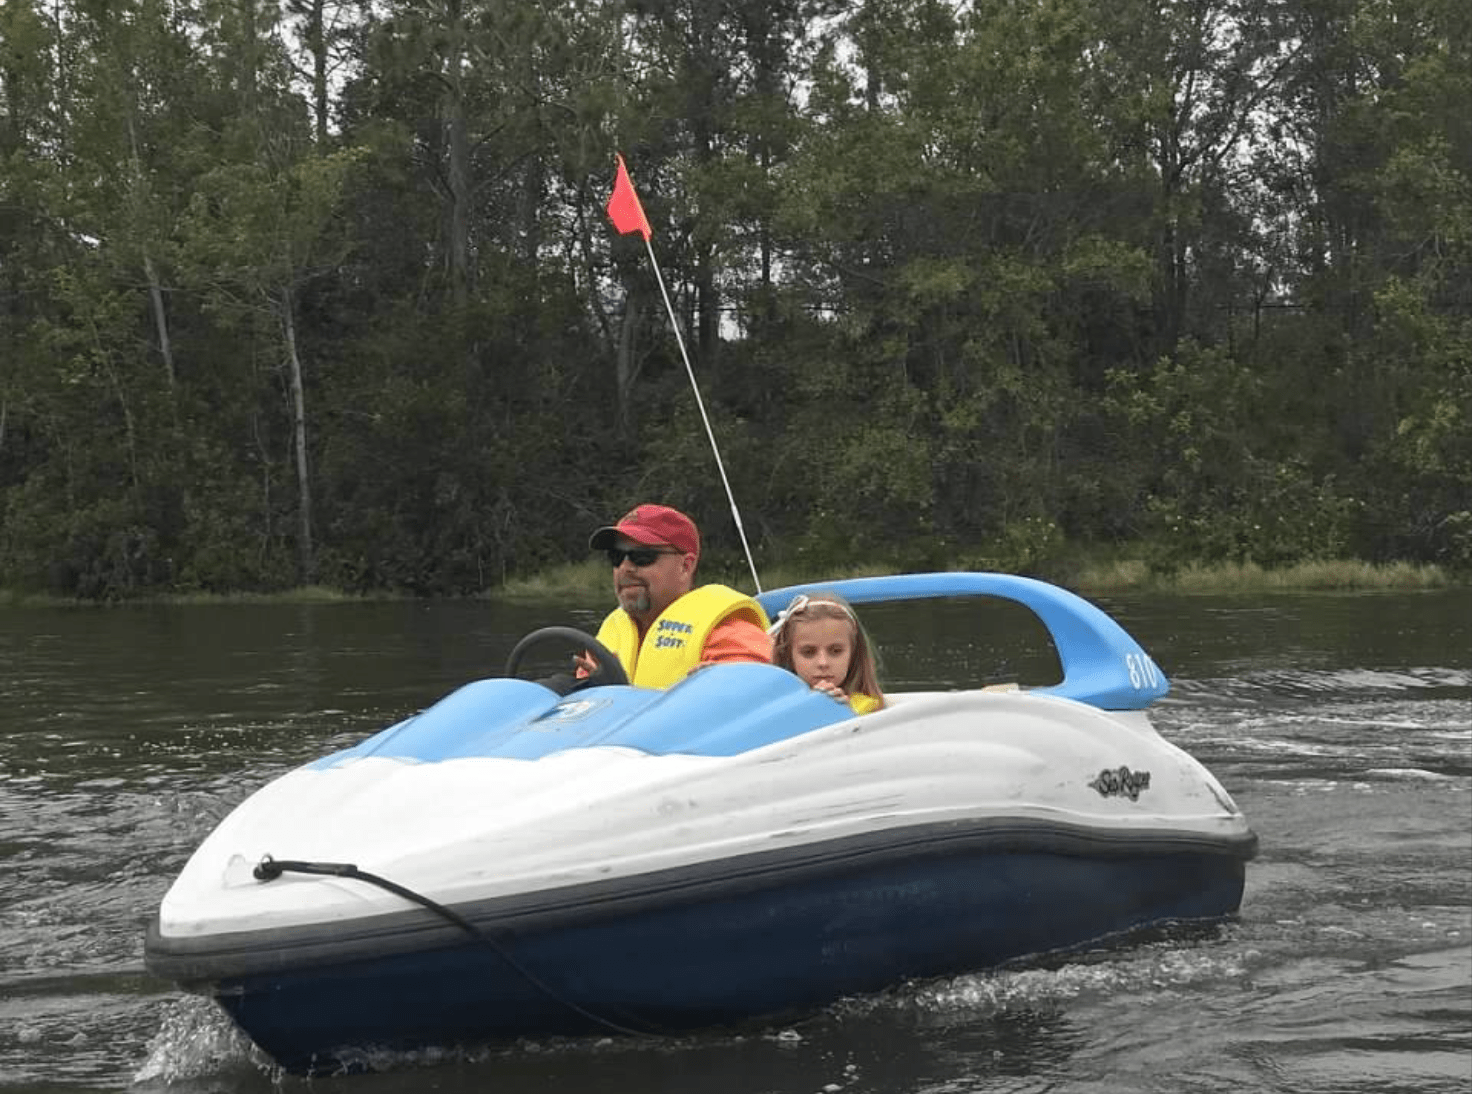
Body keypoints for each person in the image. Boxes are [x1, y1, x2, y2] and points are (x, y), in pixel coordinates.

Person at [579, 504, 772, 687]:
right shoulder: (611, 633)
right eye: (616, 556)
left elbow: (758, 687)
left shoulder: (725, 630)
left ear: (685, 566)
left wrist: (726, 682)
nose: (625, 568)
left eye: (642, 557)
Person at [768, 592, 885, 714]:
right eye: (808, 652)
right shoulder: (773, 707)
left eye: (836, 651)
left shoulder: (869, 711)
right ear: (788, 655)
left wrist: (836, 711)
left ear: (853, 653)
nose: (823, 663)